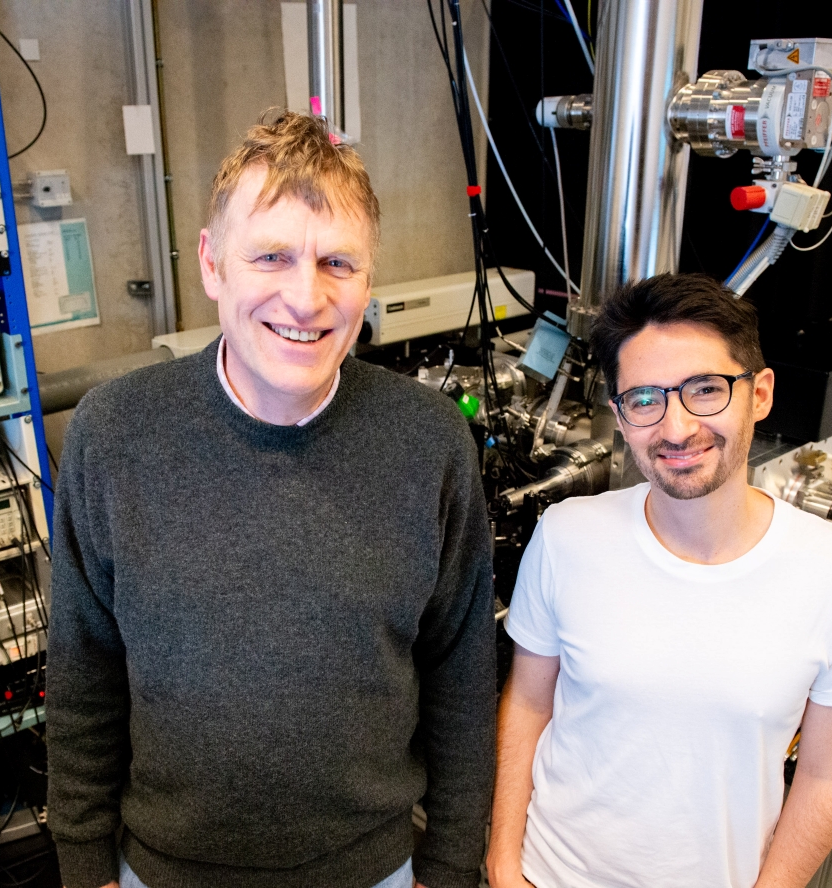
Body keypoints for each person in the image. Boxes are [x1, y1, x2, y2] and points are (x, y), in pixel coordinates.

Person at [47, 111, 496, 888]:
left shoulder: (429, 441)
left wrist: (452, 865)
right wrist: (85, 868)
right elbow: (83, 677)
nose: (305, 298)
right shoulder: (114, 434)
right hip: (163, 871)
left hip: (375, 870)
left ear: (368, 280)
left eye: (337, 263)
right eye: (272, 256)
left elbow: (461, 675)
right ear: (212, 264)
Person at [487, 273, 832, 888]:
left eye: (705, 390)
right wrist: (502, 861)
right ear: (620, 416)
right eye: (644, 399)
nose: (676, 428)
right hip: (548, 873)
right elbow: (527, 703)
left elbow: (826, 774)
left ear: (760, 394)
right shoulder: (566, 535)